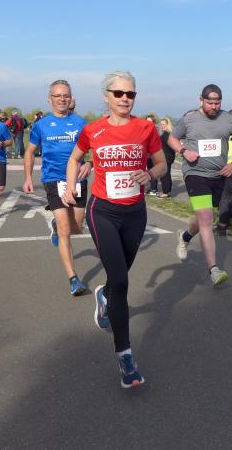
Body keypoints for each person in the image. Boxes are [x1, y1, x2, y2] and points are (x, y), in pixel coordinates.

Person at [62, 71, 166, 388]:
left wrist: (151, 174)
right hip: (103, 210)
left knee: (119, 276)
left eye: (130, 94)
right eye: (118, 93)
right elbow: (75, 158)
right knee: (121, 280)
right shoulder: (92, 130)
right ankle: (125, 357)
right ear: (106, 96)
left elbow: (162, 163)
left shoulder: (146, 128)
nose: (124, 98)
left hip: (135, 213)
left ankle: (103, 295)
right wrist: (70, 185)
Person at [167, 84, 232, 286]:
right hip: (195, 174)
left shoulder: (228, 119)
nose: (213, 106)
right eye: (210, 102)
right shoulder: (189, 119)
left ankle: (185, 236)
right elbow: (172, 138)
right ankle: (214, 269)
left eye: (217, 102)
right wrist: (184, 151)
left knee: (204, 217)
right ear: (201, 100)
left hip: (219, 175)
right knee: (206, 219)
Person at [23, 80, 92, 296]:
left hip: (78, 179)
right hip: (53, 179)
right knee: (65, 230)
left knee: (76, 227)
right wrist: (28, 177)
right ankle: (73, 279)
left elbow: (96, 149)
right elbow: (30, 151)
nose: (62, 99)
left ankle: (55, 225)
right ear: (49, 99)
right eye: (57, 95)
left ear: (71, 98)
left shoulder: (81, 123)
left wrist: (90, 164)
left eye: (65, 95)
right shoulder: (41, 125)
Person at [149, 118, 175, 198]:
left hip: (167, 157)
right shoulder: (166, 134)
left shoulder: (166, 134)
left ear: (167, 125)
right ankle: (167, 191)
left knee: (165, 175)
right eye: (161, 124)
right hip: (167, 156)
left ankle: (165, 193)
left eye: (163, 124)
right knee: (167, 175)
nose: (162, 126)